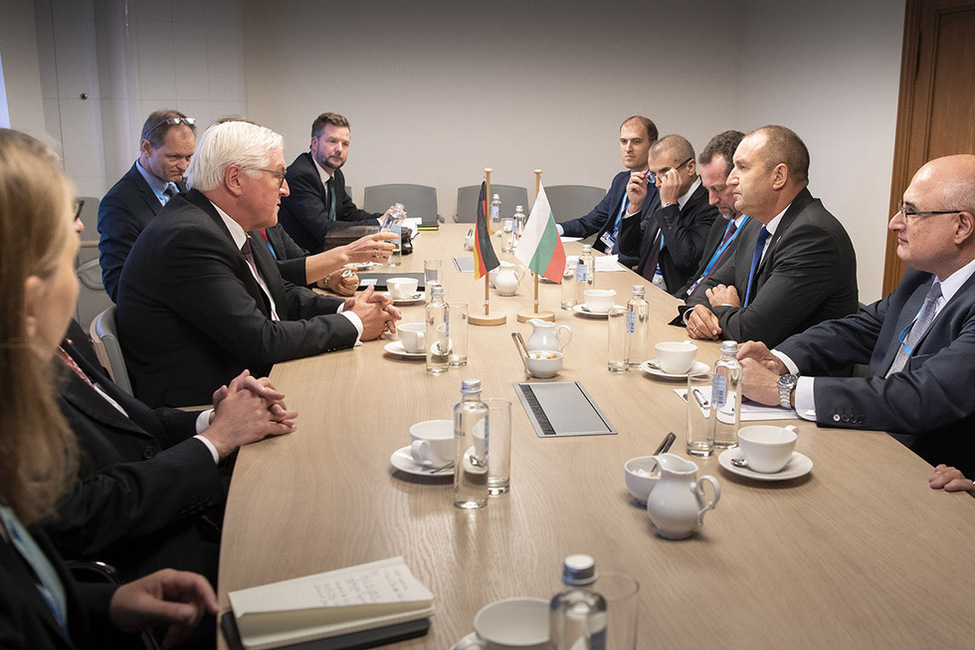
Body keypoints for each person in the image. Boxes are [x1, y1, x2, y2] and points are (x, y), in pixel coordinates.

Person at [0, 128, 216, 648]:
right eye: (66, 231)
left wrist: (105, 604)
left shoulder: (46, 343)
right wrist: (213, 442)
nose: (81, 225)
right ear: (31, 303)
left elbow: (30, 580)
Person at [116, 120, 400, 407]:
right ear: (235, 179)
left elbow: (279, 293)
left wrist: (346, 307)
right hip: (207, 407)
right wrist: (354, 323)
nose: (286, 189)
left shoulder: (226, 222)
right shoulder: (189, 236)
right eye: (278, 176)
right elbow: (261, 341)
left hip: (249, 381)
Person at [738, 154, 975, 477]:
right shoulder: (922, 278)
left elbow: (923, 394)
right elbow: (858, 329)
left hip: (921, 471)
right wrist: (780, 359)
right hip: (869, 443)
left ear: (961, 226)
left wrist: (786, 390)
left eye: (911, 211)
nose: (895, 222)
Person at [683, 125, 858, 347]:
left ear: (778, 177)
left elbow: (753, 330)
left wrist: (722, 309)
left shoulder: (813, 237)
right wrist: (697, 313)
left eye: (742, 167)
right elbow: (710, 284)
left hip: (793, 376)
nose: (730, 180)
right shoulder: (755, 225)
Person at [97, 110, 196, 301]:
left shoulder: (186, 190)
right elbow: (118, 284)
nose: (184, 166)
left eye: (188, 157)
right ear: (146, 148)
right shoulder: (119, 203)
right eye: (174, 157)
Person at [619, 134, 718, 294]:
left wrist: (669, 205)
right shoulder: (665, 198)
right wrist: (635, 206)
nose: (658, 183)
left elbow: (686, 260)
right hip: (643, 290)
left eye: (665, 172)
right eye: (654, 175)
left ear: (691, 167)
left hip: (673, 297)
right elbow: (629, 250)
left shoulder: (710, 204)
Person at [556, 116, 661, 266]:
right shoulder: (621, 180)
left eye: (636, 142)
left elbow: (643, 244)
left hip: (627, 265)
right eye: (624, 141)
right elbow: (592, 221)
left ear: (653, 146)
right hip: (602, 258)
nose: (628, 149)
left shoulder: (659, 186)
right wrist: (554, 230)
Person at [277, 112, 387, 254]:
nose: (339, 149)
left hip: (327, 254)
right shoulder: (301, 175)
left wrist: (383, 218)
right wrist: (377, 224)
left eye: (345, 144)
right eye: (332, 141)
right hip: (304, 260)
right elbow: (325, 230)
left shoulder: (335, 174)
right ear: (314, 143)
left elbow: (349, 214)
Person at [674, 130, 757, 300]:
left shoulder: (757, 229)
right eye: (707, 189)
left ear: (739, 179)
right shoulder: (722, 221)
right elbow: (699, 277)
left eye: (719, 189)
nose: (711, 201)